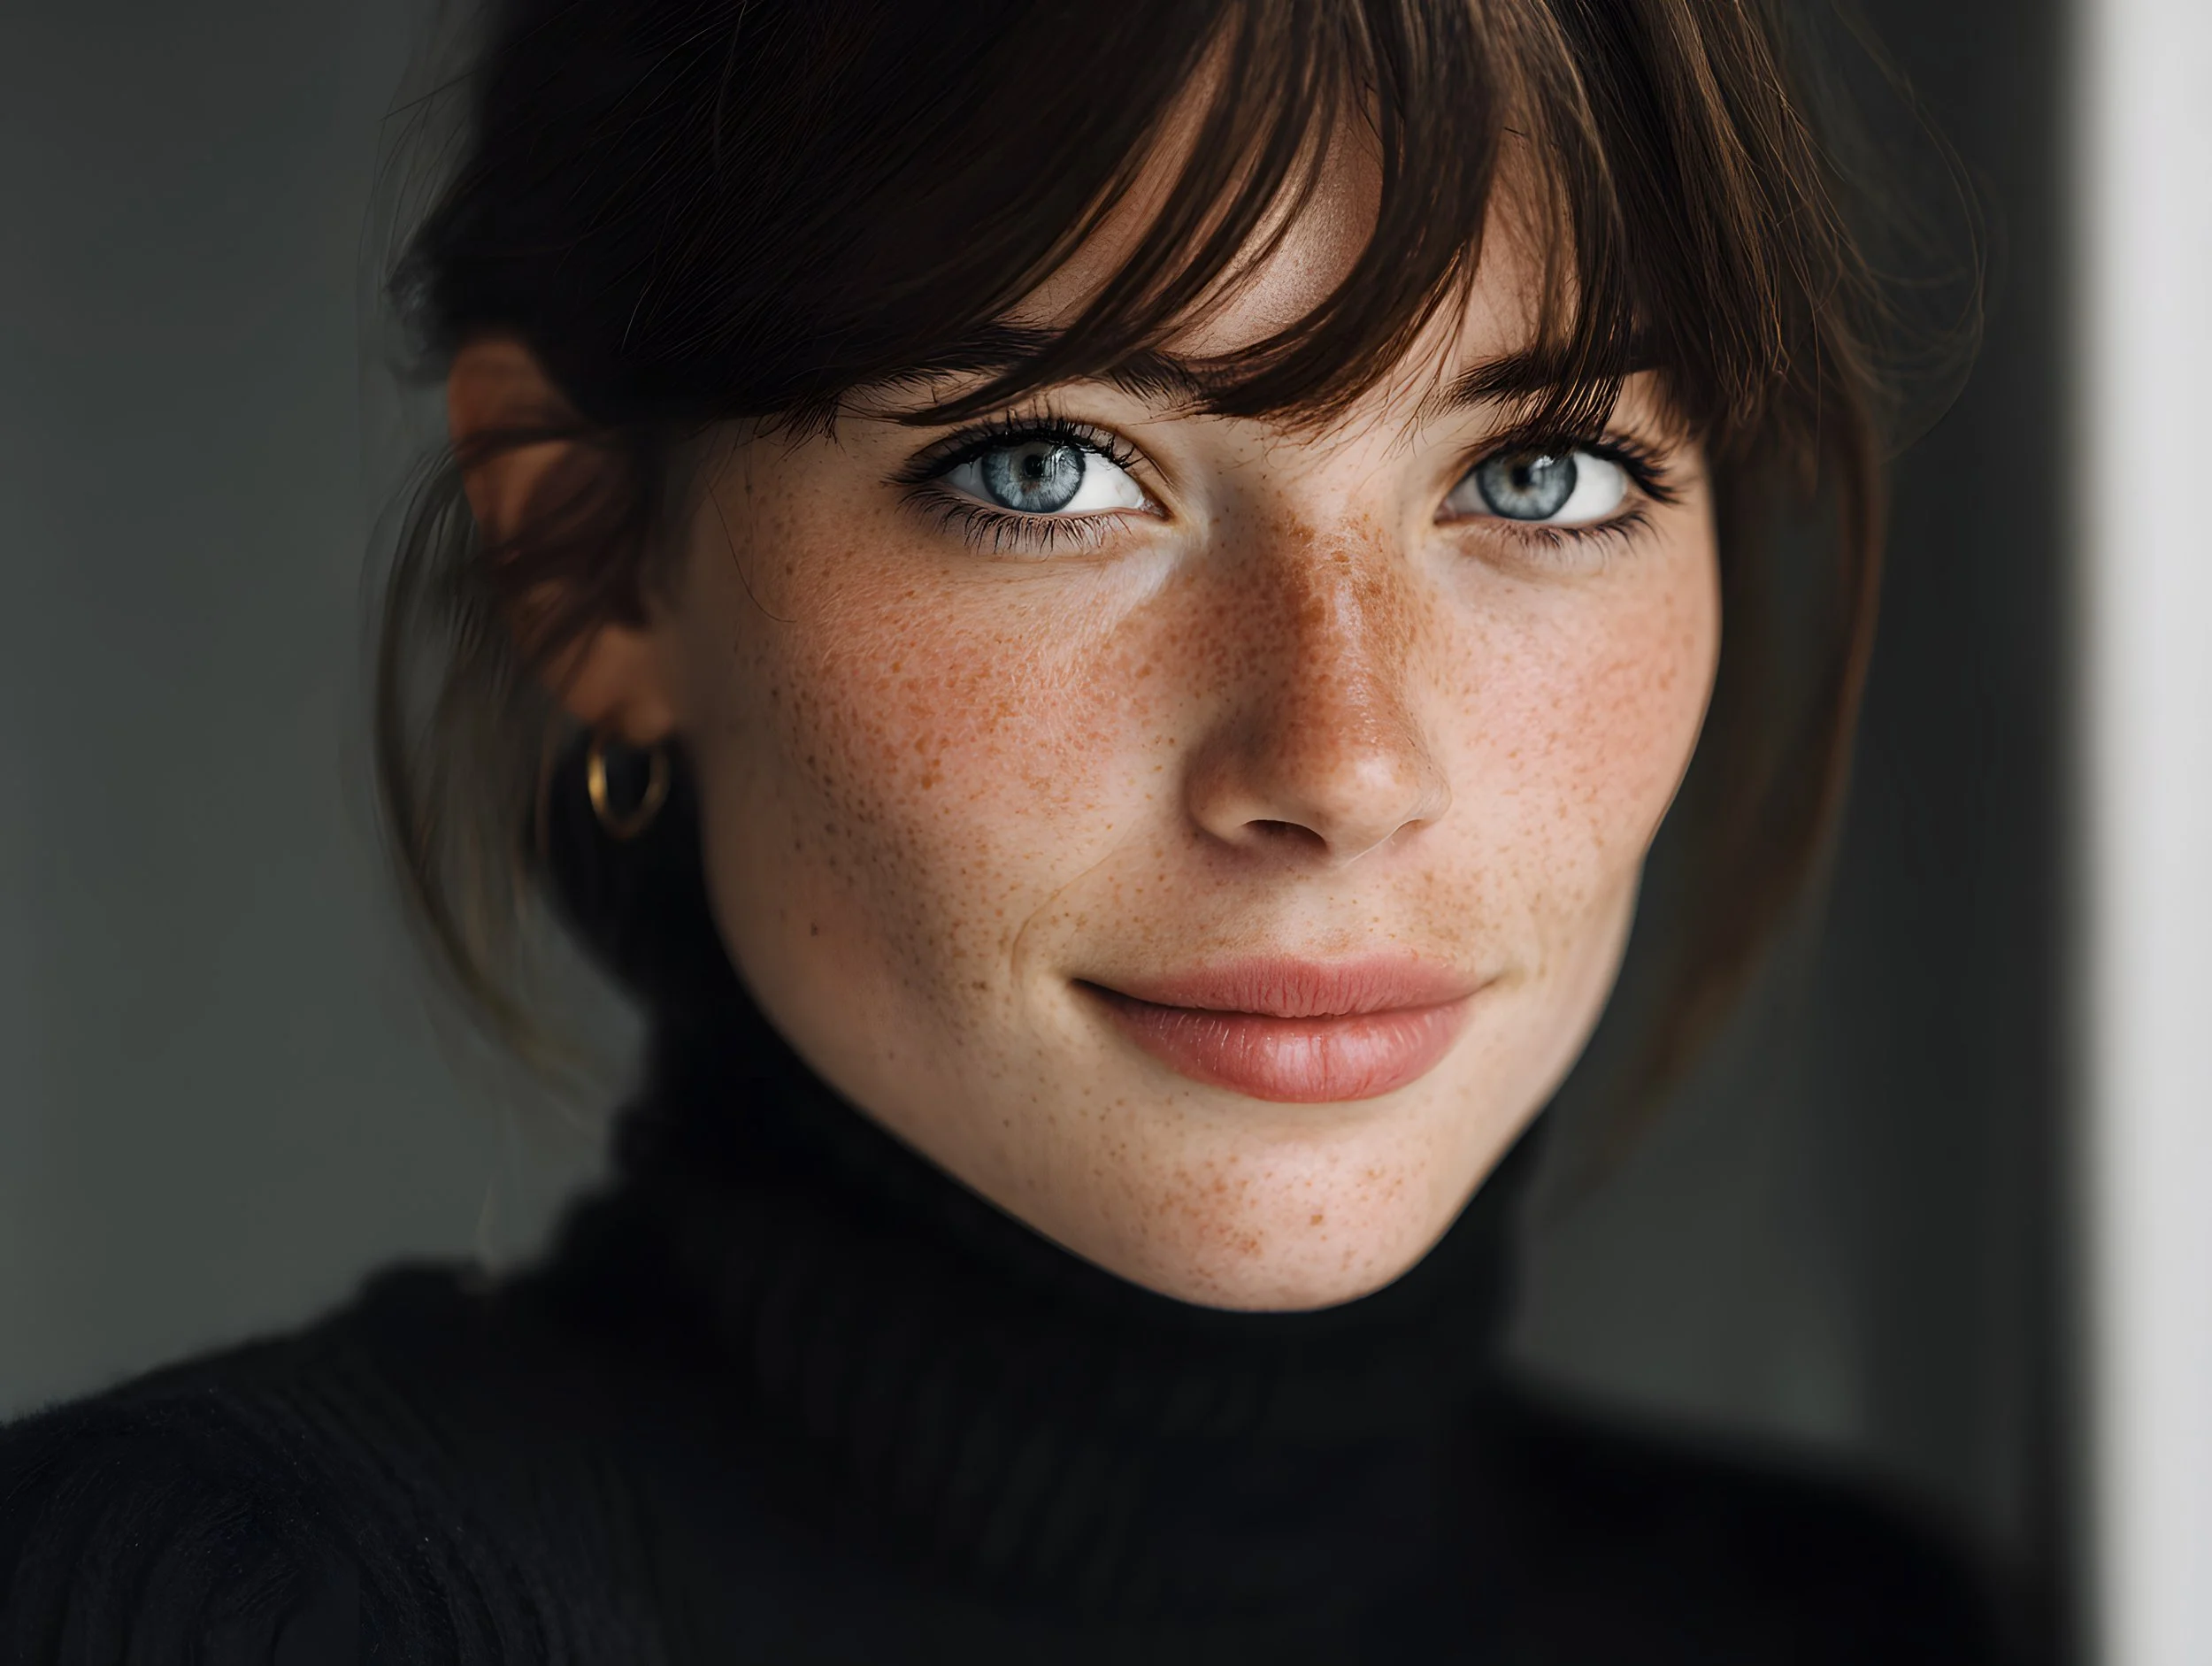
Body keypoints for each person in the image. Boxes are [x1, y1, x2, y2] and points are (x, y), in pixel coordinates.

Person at [0, 1, 2008, 1659]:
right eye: (1049, 468)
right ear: (594, 565)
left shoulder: (1867, 1628)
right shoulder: (235, 1609)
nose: (1340, 759)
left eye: (1545, 472)